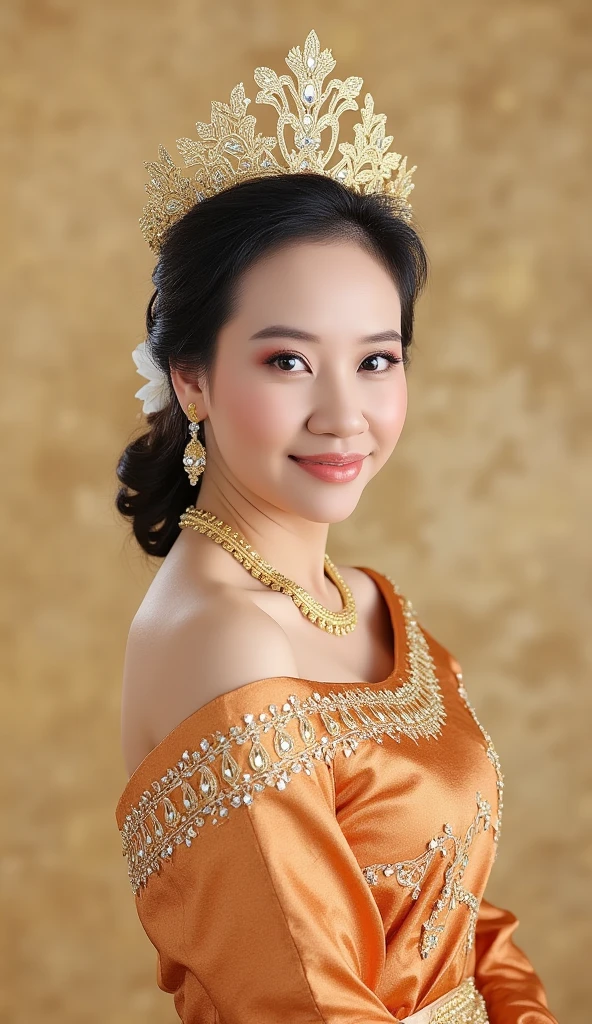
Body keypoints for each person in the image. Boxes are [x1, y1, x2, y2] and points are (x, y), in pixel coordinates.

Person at [114, 29, 558, 1024]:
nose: (343, 415)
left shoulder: (359, 599)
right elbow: (307, 1001)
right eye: (286, 361)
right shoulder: (219, 640)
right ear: (192, 375)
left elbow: (464, 916)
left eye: (375, 359)